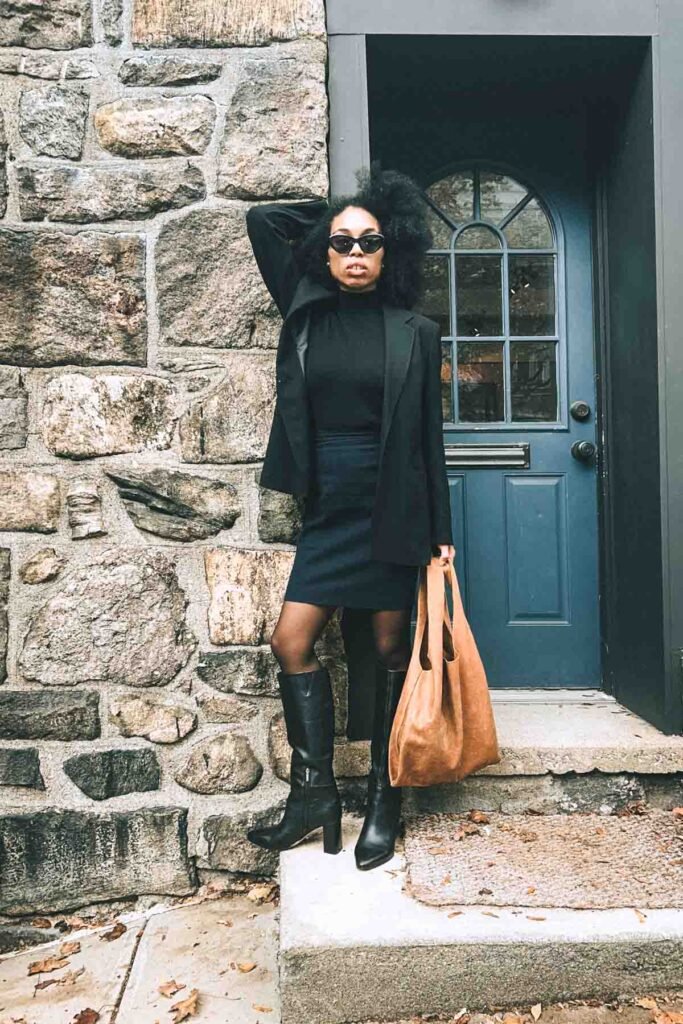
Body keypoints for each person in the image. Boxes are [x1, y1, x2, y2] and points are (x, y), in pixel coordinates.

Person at [244, 164, 454, 871]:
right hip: (328, 507)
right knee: (290, 640)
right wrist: (346, 207)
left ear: (391, 251)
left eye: (370, 241)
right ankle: (314, 797)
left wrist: (441, 538)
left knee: (390, 653)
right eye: (341, 242)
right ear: (323, 254)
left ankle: (384, 801)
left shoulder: (415, 331)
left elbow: (430, 442)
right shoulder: (305, 307)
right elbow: (262, 221)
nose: (356, 252)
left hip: (393, 506)